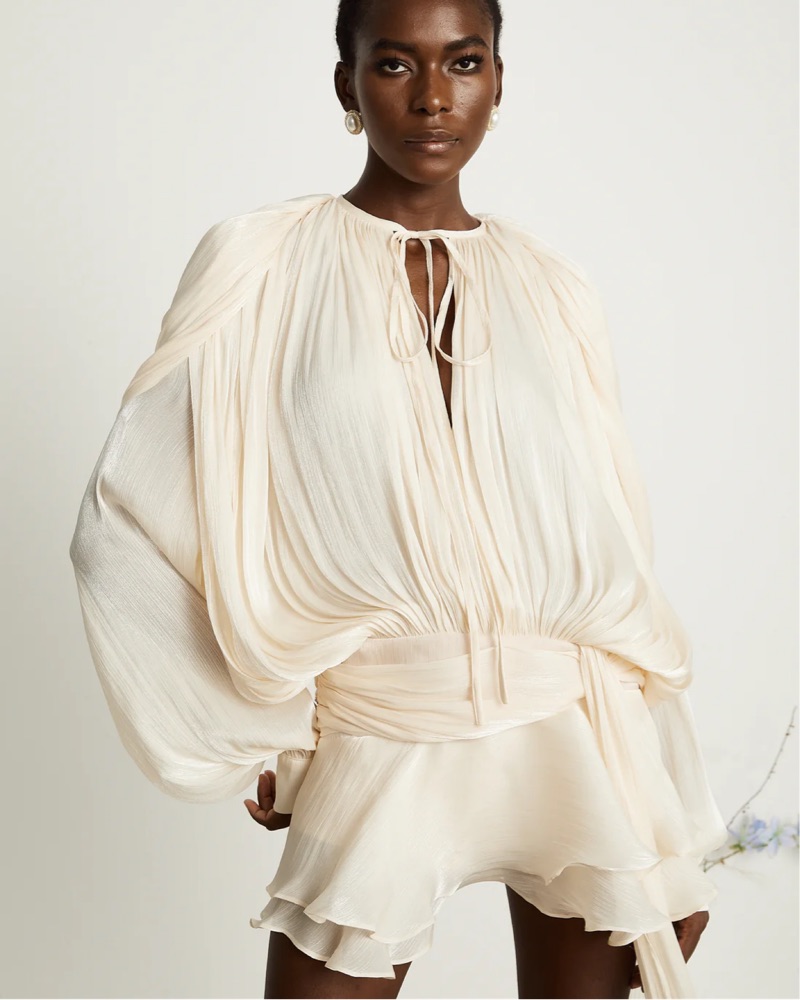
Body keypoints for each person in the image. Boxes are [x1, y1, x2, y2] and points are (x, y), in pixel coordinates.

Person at [68, 0, 730, 996]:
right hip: (382, 714)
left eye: (462, 62)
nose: (431, 98)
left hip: (571, 721)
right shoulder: (262, 261)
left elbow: (612, 540)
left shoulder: (554, 287)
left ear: (498, 80)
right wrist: (258, 726)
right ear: (347, 83)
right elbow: (126, 513)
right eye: (393, 64)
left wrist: (659, 805)